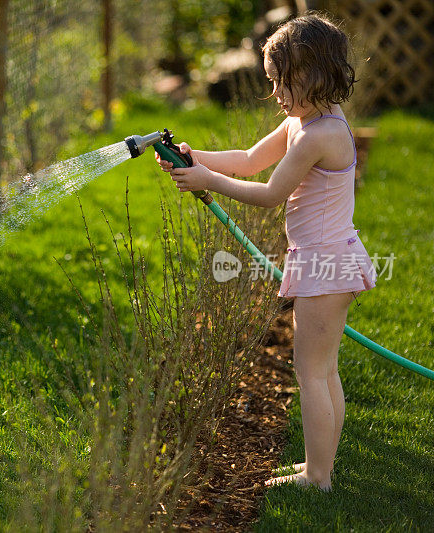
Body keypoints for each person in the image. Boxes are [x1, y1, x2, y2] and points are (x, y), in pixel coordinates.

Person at [156, 13, 378, 491]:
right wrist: (197, 160)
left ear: (313, 77)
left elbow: (270, 192)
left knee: (312, 373)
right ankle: (320, 470)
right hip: (327, 259)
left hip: (325, 265)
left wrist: (207, 183)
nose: (275, 95)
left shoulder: (320, 135)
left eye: (282, 83)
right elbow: (250, 160)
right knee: (324, 369)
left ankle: (317, 478)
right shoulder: (307, 121)